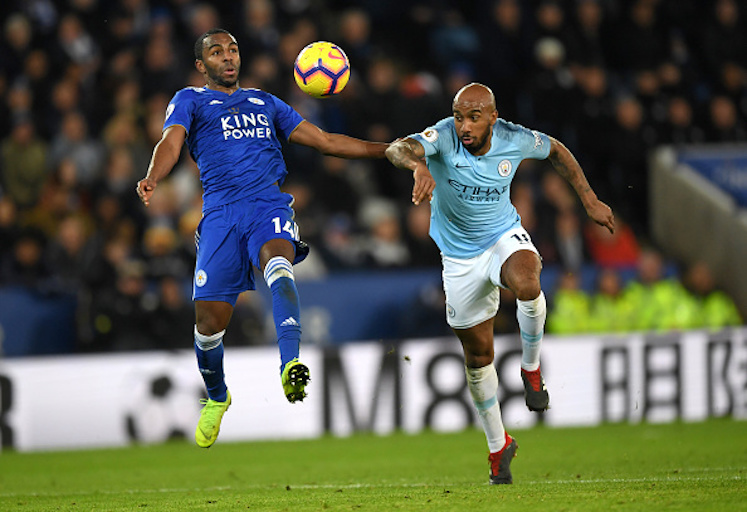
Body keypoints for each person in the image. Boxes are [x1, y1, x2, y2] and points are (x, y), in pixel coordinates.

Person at [136, 29, 432, 449]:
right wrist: (153, 176)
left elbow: (326, 142)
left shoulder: (266, 103)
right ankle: (218, 396)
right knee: (207, 326)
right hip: (220, 217)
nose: (228, 57)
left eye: (233, 49)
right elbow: (171, 141)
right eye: (217, 52)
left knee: (278, 262)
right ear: (202, 66)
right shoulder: (190, 100)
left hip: (266, 206)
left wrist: (389, 150)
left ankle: (290, 363)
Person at [385, 83, 614, 484]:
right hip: (458, 260)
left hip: (502, 238)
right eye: (459, 116)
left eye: (473, 117)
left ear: (492, 116)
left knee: (527, 282)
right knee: (478, 358)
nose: (464, 125)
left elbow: (558, 150)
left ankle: (531, 368)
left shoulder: (514, 137)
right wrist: (418, 165)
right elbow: (396, 149)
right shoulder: (441, 137)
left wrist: (589, 200)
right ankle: (498, 447)